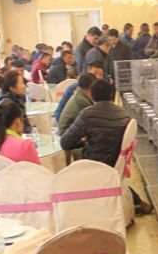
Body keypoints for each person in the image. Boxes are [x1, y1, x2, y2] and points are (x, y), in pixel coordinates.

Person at [60, 80, 152, 215]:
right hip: (117, 163)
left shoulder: (88, 114)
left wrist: (84, 142)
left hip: (95, 164)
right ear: (112, 95)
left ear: (91, 95)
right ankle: (137, 202)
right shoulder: (124, 114)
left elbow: (65, 142)